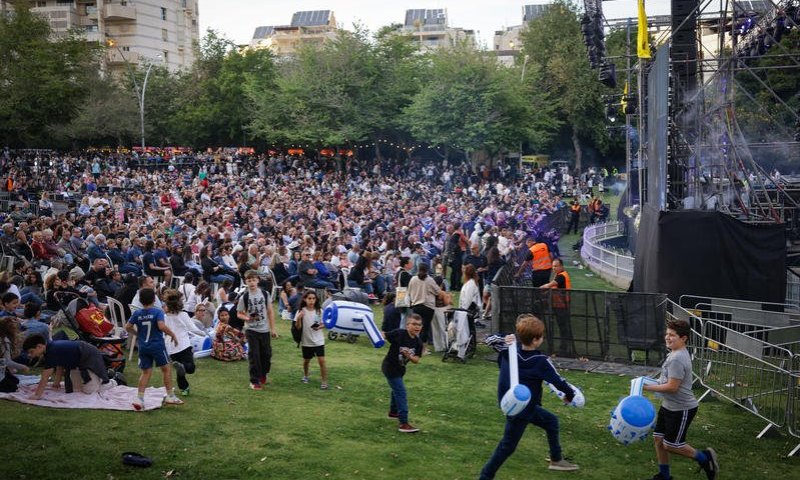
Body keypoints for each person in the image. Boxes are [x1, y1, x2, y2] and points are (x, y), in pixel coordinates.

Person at [479, 314, 579, 479]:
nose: (542, 339)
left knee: (551, 421)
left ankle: (556, 459)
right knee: (508, 446)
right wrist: (570, 394)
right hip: (520, 410)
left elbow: (489, 339)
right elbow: (558, 381)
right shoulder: (540, 361)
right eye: (541, 337)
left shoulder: (508, 350)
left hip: (518, 405)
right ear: (535, 340)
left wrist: (505, 339)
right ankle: (485, 476)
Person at [642, 319, 719, 480]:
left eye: (672, 335)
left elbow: (672, 387)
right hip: (668, 405)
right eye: (667, 334)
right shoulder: (675, 354)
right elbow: (667, 382)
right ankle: (664, 476)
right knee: (658, 438)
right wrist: (646, 381)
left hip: (681, 408)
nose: (667, 338)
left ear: (683, 338)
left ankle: (705, 458)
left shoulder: (677, 358)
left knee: (671, 445)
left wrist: (648, 388)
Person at [125, 288, 183, 410]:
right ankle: (170, 396)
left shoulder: (137, 313)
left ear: (140, 301)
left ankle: (139, 399)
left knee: (146, 372)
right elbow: (161, 326)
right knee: (166, 369)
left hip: (143, 346)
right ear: (153, 299)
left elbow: (128, 327)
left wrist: (137, 334)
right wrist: (172, 334)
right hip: (157, 345)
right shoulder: (158, 312)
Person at [23, 334, 113, 399]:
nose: (30, 355)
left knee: (89, 390)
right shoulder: (50, 349)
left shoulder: (51, 351)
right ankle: (95, 380)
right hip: (78, 363)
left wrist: (37, 395)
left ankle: (112, 382)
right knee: (75, 389)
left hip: (89, 357)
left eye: (31, 351)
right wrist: (56, 383)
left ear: (39, 346)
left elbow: (45, 376)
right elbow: (59, 365)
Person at [382, 312, 423, 433]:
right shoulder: (399, 333)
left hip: (401, 369)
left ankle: (393, 412)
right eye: (414, 324)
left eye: (419, 325)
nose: (417, 327)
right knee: (401, 393)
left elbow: (416, 360)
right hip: (389, 367)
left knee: (397, 390)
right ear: (407, 325)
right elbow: (384, 335)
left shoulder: (418, 342)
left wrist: (408, 355)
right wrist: (376, 336)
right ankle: (403, 423)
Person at [237, 270, 277, 391]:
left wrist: (273, 329)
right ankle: (254, 380)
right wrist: (248, 318)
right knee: (254, 355)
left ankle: (263, 373)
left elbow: (270, 311)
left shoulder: (265, 294)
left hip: (264, 330)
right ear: (246, 282)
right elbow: (239, 313)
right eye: (249, 280)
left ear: (258, 280)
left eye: (254, 280)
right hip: (251, 330)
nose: (252, 282)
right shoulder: (244, 297)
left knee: (266, 354)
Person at [162, 289, 206, 396]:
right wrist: (204, 334)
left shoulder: (165, 317)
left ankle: (184, 388)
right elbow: (193, 329)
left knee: (180, 369)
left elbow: (163, 332)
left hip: (171, 348)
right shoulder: (183, 315)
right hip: (184, 345)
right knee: (190, 368)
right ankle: (184, 369)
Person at [540, 259, 576, 357]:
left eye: (556, 266)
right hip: (559, 305)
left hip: (562, 306)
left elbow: (549, 285)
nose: (554, 268)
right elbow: (554, 288)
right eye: (553, 266)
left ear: (561, 266)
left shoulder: (561, 276)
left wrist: (541, 288)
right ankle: (564, 348)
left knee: (563, 328)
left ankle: (564, 349)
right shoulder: (559, 275)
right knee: (563, 327)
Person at [295, 290, 328, 389]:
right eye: (309, 298)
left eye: (313, 298)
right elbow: (298, 327)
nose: (311, 301)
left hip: (319, 340)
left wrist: (319, 327)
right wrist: (299, 318)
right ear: (305, 299)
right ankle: (305, 376)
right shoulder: (301, 311)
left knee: (322, 361)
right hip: (307, 341)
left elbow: (324, 323)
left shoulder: (319, 311)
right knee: (306, 361)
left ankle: (324, 382)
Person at [1, 317, 28, 393]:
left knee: (15, 381)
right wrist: (23, 367)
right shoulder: (4, 341)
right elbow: (8, 362)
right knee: (12, 388)